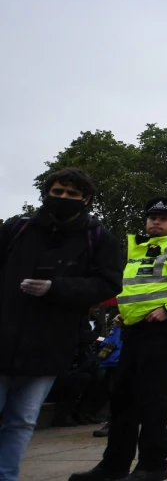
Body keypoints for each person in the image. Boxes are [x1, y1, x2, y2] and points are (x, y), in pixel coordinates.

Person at [71, 196, 167, 481]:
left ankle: (153, 465)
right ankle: (113, 465)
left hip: (161, 331)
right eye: (152, 217)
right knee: (121, 398)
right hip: (133, 330)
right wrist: (123, 314)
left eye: (163, 218)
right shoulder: (139, 249)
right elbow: (135, 288)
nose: (156, 222)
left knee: (151, 398)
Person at [0, 168, 123, 480]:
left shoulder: (98, 238)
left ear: (86, 200)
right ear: (46, 193)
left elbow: (109, 284)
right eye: (58, 192)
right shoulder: (17, 228)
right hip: (3, 335)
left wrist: (57, 288)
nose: (64, 198)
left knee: (23, 420)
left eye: (72, 194)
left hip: (50, 343)